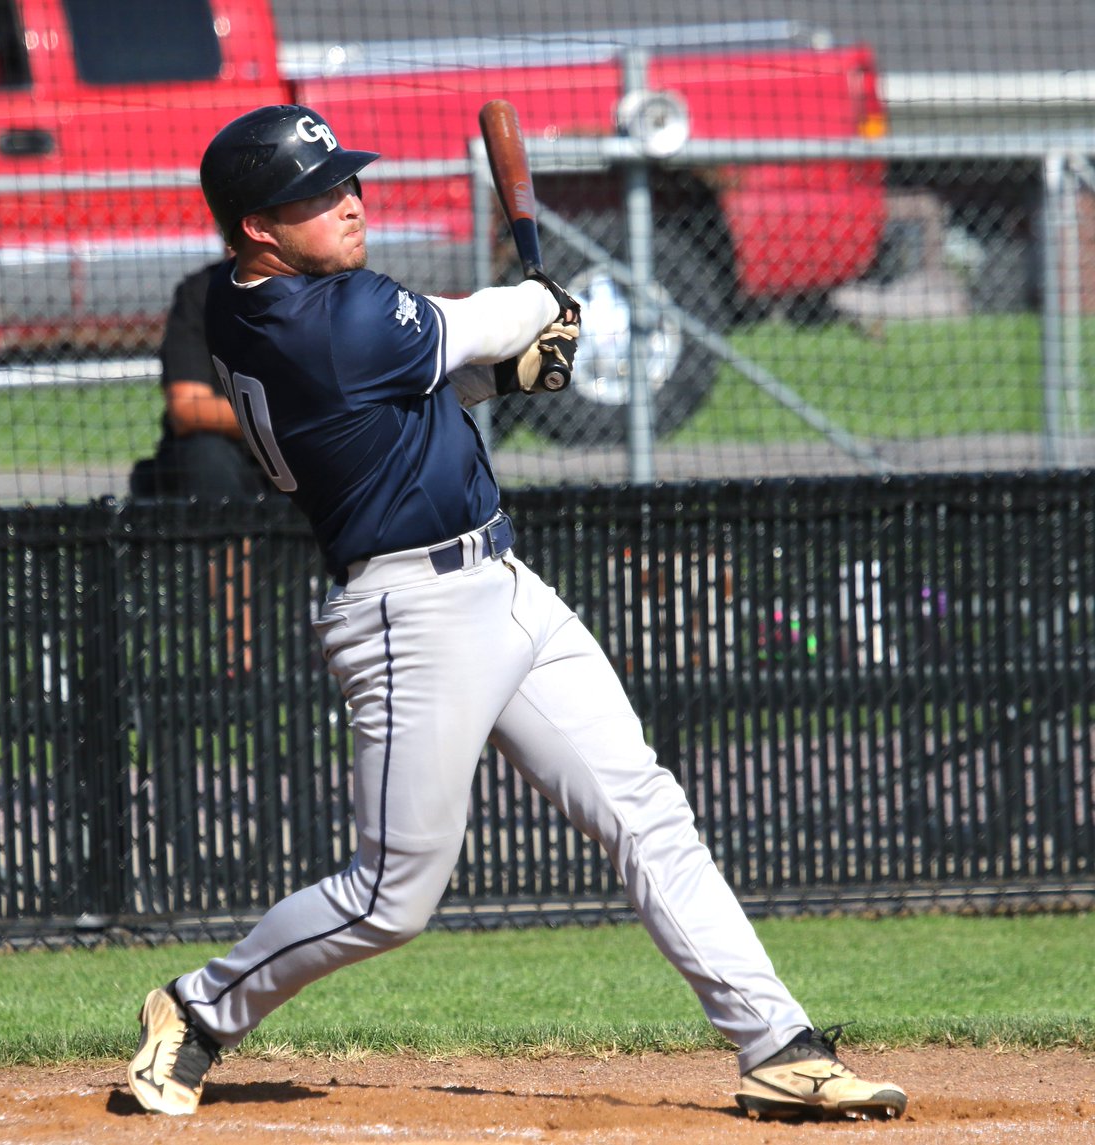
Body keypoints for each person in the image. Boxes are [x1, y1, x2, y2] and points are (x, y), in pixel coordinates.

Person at [126, 104, 908, 1124]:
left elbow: (406, 402)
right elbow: (474, 325)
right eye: (315, 195)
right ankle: (197, 1006)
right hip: (413, 614)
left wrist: (507, 370)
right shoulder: (324, 313)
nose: (349, 199)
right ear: (259, 228)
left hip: (501, 582)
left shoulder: (250, 305)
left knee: (644, 809)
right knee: (389, 896)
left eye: (345, 179)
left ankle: (780, 1045)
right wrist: (538, 303)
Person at [137, 259, 275, 502]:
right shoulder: (200, 293)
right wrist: (280, 418)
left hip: (293, 455)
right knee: (207, 454)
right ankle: (225, 538)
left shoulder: (318, 288)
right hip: (226, 458)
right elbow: (187, 410)